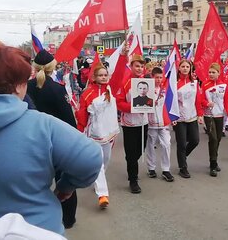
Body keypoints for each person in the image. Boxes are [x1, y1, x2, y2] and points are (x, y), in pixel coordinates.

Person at [0, 45, 102, 237]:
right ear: (19, 85)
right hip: (37, 230)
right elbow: (91, 157)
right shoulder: (42, 125)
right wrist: (65, 187)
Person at [27, 49, 80, 228]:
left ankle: (34, 220)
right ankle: (68, 219)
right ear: (52, 67)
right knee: (64, 181)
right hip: (56, 143)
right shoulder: (57, 89)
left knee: (33, 183)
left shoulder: (26, 87)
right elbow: (68, 119)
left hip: (32, 142)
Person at [75, 61, 120, 207]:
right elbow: (82, 113)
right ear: (94, 77)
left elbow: (120, 73)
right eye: (100, 75)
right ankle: (102, 195)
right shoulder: (87, 93)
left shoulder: (112, 89)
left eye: (105, 75)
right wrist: (80, 129)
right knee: (98, 162)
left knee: (106, 159)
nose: (103, 77)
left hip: (110, 131)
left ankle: (98, 178)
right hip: (95, 132)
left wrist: (124, 56)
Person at [116, 50, 149, 194]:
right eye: (137, 66)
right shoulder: (125, 82)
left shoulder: (148, 82)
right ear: (131, 66)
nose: (139, 69)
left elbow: (150, 99)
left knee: (140, 149)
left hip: (143, 122)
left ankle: (132, 163)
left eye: (141, 66)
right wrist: (133, 107)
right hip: (129, 122)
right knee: (131, 152)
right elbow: (119, 103)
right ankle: (133, 180)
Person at [174, 59, 204, 178]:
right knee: (181, 143)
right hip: (179, 118)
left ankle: (183, 156)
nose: (185, 68)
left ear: (190, 68)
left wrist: (200, 115)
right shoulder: (174, 83)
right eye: (183, 66)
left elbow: (198, 100)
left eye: (187, 66)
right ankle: (183, 167)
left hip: (192, 116)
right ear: (179, 68)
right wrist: (172, 117)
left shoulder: (195, 83)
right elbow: (171, 102)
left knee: (195, 140)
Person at [145, 67, 175, 182]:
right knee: (151, 145)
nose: (158, 80)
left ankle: (166, 169)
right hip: (151, 122)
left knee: (166, 144)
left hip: (163, 123)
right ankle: (151, 168)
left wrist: (172, 117)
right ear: (152, 77)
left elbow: (169, 104)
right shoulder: (146, 89)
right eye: (156, 77)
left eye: (160, 77)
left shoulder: (165, 89)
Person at [202, 63, 226, 176]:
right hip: (209, 115)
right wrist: (207, 103)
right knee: (213, 138)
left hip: (220, 115)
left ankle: (214, 159)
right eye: (210, 72)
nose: (211, 74)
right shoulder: (205, 84)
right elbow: (200, 99)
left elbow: (227, 99)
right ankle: (213, 164)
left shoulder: (223, 85)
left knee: (219, 139)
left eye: (213, 72)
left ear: (218, 73)